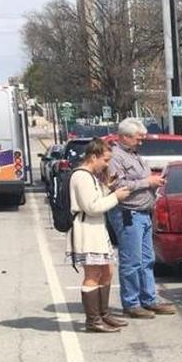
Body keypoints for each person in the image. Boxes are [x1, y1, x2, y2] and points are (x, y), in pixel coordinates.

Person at [108, 118, 176, 318]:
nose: (141, 142)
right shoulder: (115, 157)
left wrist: (154, 184)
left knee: (147, 259)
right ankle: (131, 302)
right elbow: (117, 185)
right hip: (128, 213)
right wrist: (147, 182)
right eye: (138, 139)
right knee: (132, 260)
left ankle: (149, 298)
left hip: (144, 213)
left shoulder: (134, 155)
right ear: (125, 136)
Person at [68, 139, 132, 333]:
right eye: (105, 160)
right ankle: (93, 320)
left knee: (107, 272)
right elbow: (92, 207)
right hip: (87, 230)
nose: (107, 164)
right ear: (93, 156)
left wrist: (107, 187)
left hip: (97, 229)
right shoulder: (81, 176)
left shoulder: (91, 176)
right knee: (93, 275)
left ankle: (103, 314)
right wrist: (115, 197)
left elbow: (95, 199)